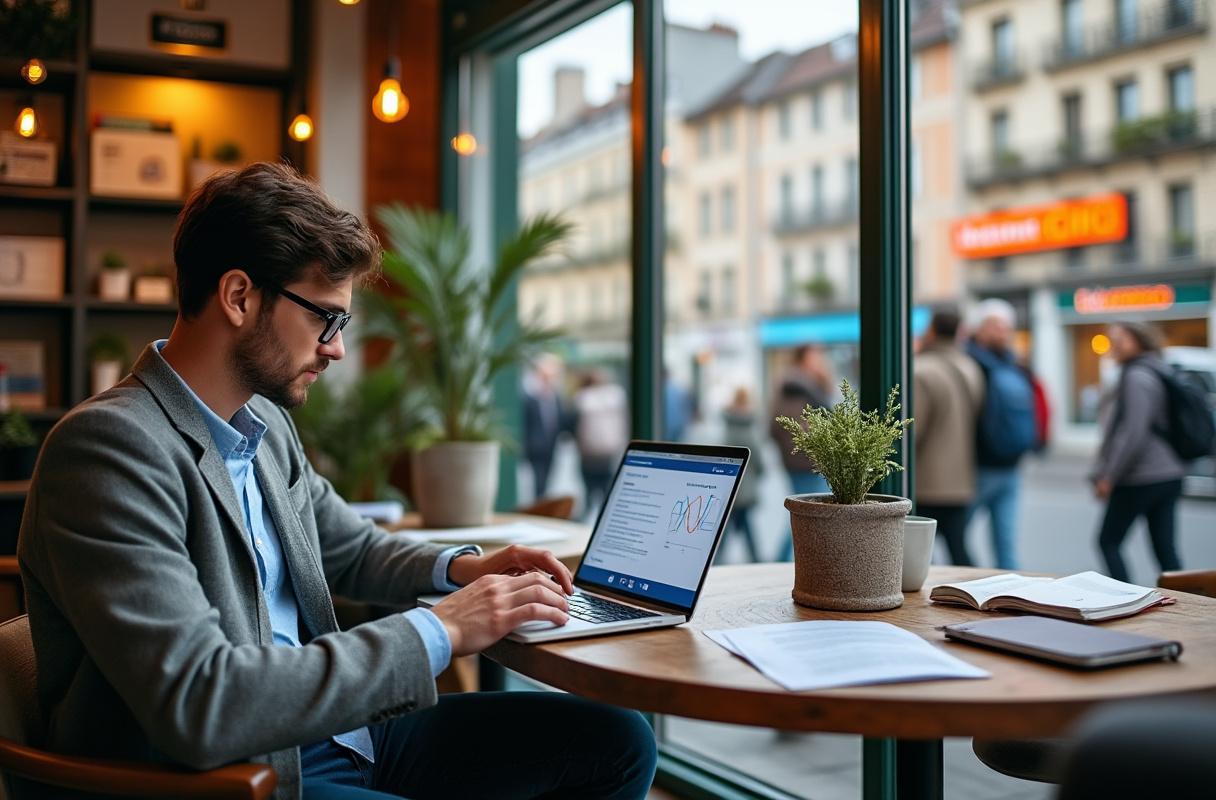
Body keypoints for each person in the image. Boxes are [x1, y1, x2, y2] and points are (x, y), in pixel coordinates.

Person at [16, 163, 656, 800]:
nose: (337, 349)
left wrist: (466, 572)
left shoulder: (260, 420)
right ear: (239, 297)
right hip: (237, 776)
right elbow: (200, 701)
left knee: (619, 743)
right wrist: (443, 630)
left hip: (338, 735)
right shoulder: (108, 450)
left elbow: (350, 546)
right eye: (326, 317)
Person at [1091, 322, 1185, 583]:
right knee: (1165, 549)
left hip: (1141, 476)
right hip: (1169, 472)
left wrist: (1108, 475)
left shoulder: (1136, 376)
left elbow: (1132, 433)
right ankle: (1190, 605)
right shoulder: (1158, 368)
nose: (1114, 346)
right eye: (1112, 340)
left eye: (1121, 339)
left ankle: (1125, 600)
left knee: (1108, 541)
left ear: (1139, 340)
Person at [965, 299, 1038, 570]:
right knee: (961, 537)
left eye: (1006, 326)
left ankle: (1010, 597)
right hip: (979, 467)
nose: (1002, 331)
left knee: (1004, 545)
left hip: (1008, 467)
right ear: (979, 328)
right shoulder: (976, 363)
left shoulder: (1011, 365)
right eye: (995, 325)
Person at [913, 307, 985, 566]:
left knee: (916, 556)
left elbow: (912, 428)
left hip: (926, 482)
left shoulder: (921, 370)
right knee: (959, 550)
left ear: (931, 330)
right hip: (961, 481)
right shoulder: (970, 368)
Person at [770, 344, 834, 561]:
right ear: (803, 359)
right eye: (815, 356)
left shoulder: (806, 386)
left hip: (806, 463)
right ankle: (784, 562)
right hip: (806, 464)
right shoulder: (796, 387)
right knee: (807, 517)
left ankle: (785, 561)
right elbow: (785, 428)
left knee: (805, 516)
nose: (820, 361)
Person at [571, 368, 629, 519]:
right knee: (607, 490)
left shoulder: (582, 399)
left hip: (588, 453)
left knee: (589, 490)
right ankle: (605, 519)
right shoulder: (616, 396)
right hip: (609, 451)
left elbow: (572, 426)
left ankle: (587, 517)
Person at [719, 387, 765, 563]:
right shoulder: (750, 428)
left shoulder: (728, 426)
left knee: (728, 526)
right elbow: (760, 462)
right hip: (746, 488)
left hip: (731, 486)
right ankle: (756, 559)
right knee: (746, 527)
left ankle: (716, 559)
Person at [522, 353, 567, 498]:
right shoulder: (531, 396)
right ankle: (539, 505)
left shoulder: (556, 396)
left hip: (552, 446)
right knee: (539, 484)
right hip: (535, 448)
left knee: (548, 481)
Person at [662, 367, 692, 442]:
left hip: (668, 426)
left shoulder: (662, 390)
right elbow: (686, 406)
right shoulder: (677, 388)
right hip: (678, 425)